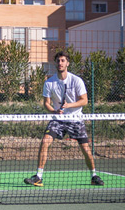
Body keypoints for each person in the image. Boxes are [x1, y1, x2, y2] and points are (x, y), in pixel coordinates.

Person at [24, 51, 104, 187]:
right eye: (58, 61)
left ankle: (94, 176)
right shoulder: (49, 83)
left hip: (76, 119)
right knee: (44, 141)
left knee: (86, 148)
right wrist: (54, 111)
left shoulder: (76, 80)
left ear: (67, 63)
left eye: (62, 61)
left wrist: (69, 105)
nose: (60, 63)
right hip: (58, 120)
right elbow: (46, 103)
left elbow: (84, 101)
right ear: (55, 63)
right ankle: (38, 176)